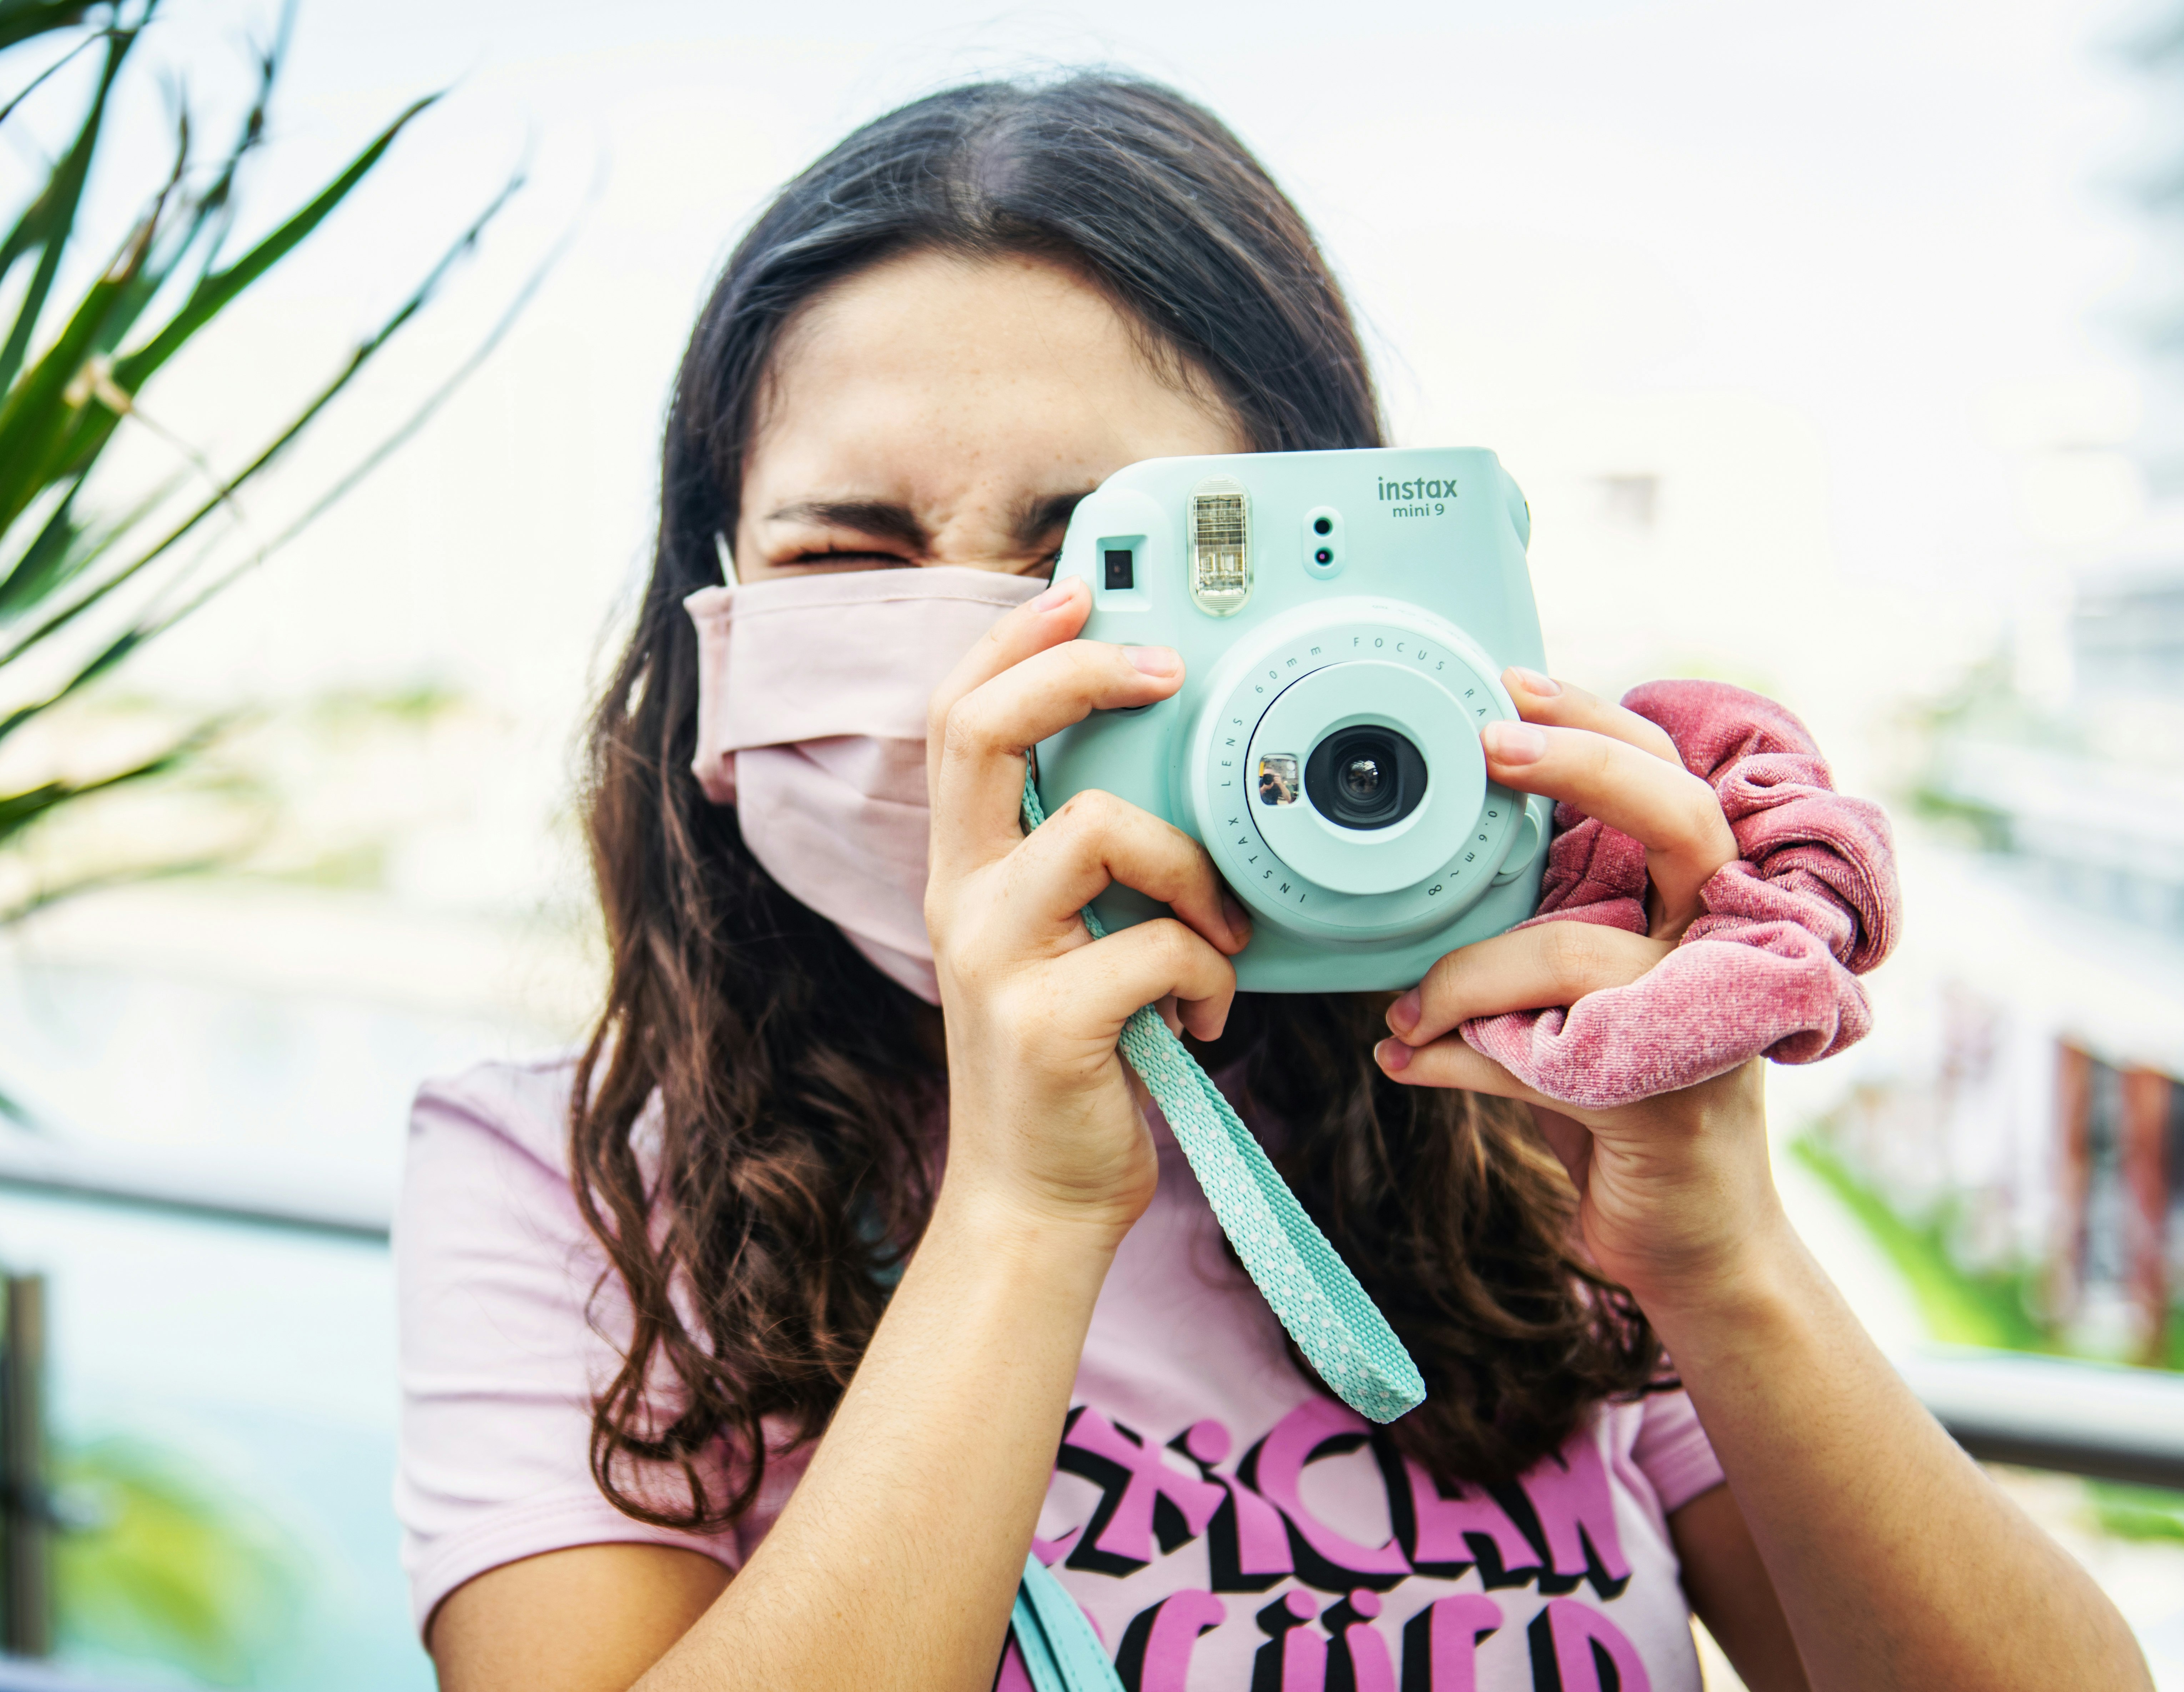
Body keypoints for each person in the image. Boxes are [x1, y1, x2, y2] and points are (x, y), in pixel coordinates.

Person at [395, 75, 2149, 1692]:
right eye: (846, 554)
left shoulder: (1516, 1104)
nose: (983, 682)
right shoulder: (559, 1193)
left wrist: (1719, 1253)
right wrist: (1020, 1215)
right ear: (714, 611)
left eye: (1092, 552)